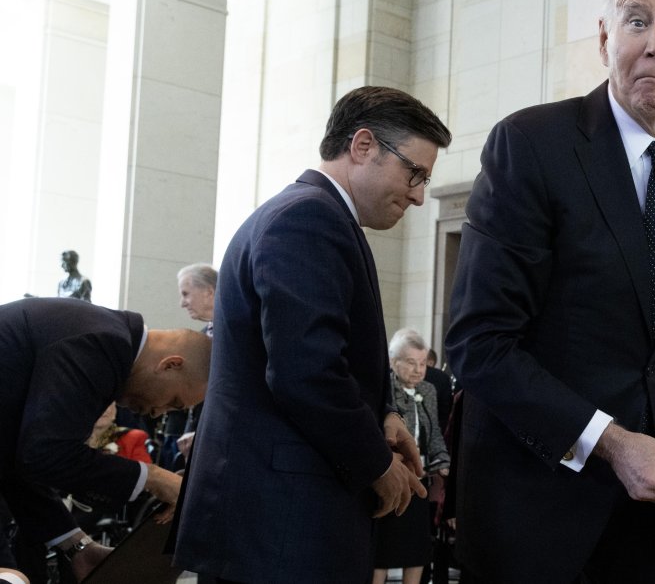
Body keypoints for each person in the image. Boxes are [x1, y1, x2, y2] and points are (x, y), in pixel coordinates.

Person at [446, 0, 655, 583]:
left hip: (652, 523)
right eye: (636, 21)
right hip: (532, 513)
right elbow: (480, 344)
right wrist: (609, 443)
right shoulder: (531, 145)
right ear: (605, 37)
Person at [173, 86, 451, 583]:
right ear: (363, 146)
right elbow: (306, 371)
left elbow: (333, 355)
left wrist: (385, 413)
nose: (418, 195)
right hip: (279, 526)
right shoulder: (307, 218)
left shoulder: (318, 216)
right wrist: (375, 464)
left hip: (281, 523)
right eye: (415, 173)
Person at [0, 297, 210, 582]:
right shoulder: (101, 342)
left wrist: (77, 547)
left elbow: (18, 458)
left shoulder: (104, 338)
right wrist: (154, 477)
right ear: (171, 364)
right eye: (172, 403)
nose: (156, 413)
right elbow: (45, 454)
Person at [374, 330, 450, 584]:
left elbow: (435, 432)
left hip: (420, 476)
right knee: (382, 551)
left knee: (417, 550)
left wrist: (442, 462)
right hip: (391, 475)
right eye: (411, 363)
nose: (419, 370)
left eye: (422, 363)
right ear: (394, 362)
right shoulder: (384, 389)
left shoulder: (428, 390)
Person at [174, 263, 217, 464]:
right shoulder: (199, 338)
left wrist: (205, 436)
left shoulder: (243, 334)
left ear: (209, 292)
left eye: (186, 294)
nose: (182, 303)